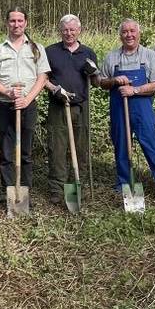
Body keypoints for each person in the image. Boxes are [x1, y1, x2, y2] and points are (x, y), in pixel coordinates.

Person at [98, 19, 155, 211]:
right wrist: (113, 80)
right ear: (120, 35)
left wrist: (135, 90)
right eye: (125, 32)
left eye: (132, 31)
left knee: (154, 148)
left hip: (142, 109)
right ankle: (125, 187)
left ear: (139, 33)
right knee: (121, 147)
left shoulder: (149, 56)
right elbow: (100, 82)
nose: (129, 35)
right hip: (119, 109)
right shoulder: (112, 57)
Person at [0, 7, 51, 204]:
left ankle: (24, 191)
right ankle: (8, 190)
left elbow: (43, 77)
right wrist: (7, 92)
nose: (16, 24)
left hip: (28, 106)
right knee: (6, 151)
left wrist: (28, 98)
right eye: (12, 21)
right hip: (6, 106)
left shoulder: (36, 48)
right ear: (7, 23)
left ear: (26, 23)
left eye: (20, 21)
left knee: (26, 151)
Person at [44, 14, 98, 207]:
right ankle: (57, 190)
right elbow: (43, 79)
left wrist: (93, 73)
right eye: (65, 30)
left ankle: (77, 185)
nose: (69, 33)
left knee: (81, 149)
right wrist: (55, 89)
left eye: (72, 30)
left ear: (79, 30)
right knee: (57, 148)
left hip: (81, 106)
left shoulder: (88, 52)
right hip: (58, 106)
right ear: (61, 31)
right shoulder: (50, 51)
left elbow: (96, 82)